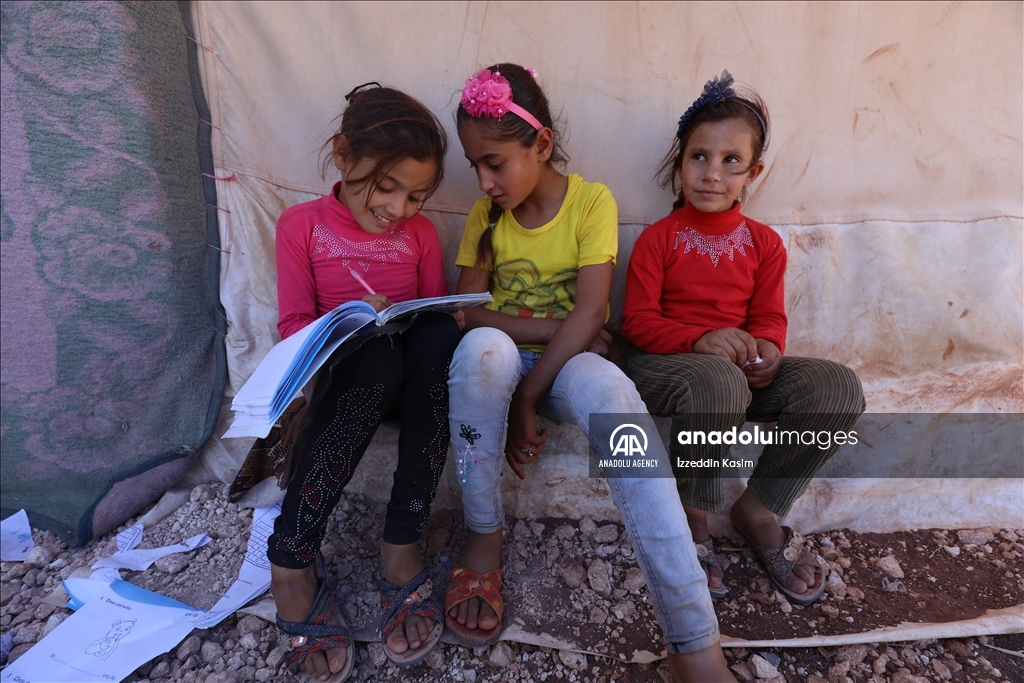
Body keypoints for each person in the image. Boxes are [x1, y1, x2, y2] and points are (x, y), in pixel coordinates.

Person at [446, 63, 735, 682]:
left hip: (568, 368)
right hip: (512, 358)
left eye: (495, 163)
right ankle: (482, 532)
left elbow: (593, 312)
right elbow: (469, 314)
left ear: (542, 144)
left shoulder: (590, 202)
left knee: (616, 396)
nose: (485, 181)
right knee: (481, 353)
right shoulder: (484, 215)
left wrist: (530, 395)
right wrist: (554, 328)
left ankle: (693, 636)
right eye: (475, 166)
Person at [623, 71, 866, 606]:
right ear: (680, 163)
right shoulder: (658, 240)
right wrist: (701, 339)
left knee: (837, 388)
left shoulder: (765, 245)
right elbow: (637, 322)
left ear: (753, 172)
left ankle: (758, 508)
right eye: (699, 157)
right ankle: (694, 516)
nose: (712, 173)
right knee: (717, 379)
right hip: (667, 369)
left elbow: (768, 318)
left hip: (739, 377)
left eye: (731, 160)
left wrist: (769, 351)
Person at [268, 83, 461, 682]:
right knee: (375, 356)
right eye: (386, 186)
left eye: (416, 196)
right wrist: (350, 320)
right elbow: (294, 328)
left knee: (439, 336)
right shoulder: (300, 227)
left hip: (415, 385)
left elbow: (431, 310)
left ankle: (402, 541)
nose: (399, 208)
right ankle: (292, 558)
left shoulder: (421, 236)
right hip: (350, 380)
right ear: (342, 155)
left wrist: (429, 318)